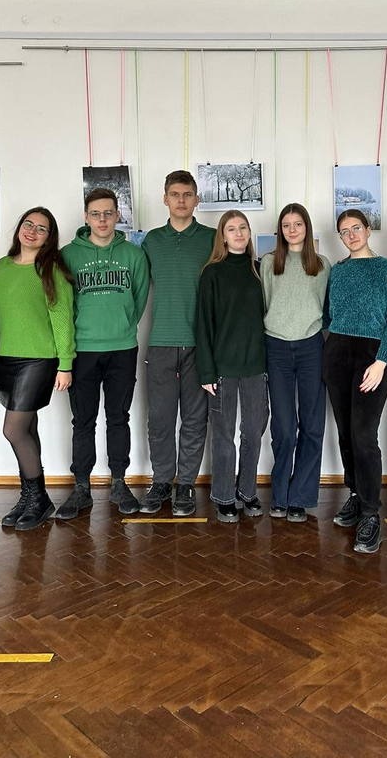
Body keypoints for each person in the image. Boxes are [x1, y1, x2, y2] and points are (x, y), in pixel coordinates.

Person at [55, 188, 150, 520]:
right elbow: (62, 305)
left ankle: (119, 483)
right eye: (95, 214)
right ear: (86, 217)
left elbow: (139, 300)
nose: (102, 219)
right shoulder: (68, 255)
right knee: (82, 420)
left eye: (109, 213)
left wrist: (121, 326)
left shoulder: (134, 255)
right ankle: (81, 487)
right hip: (82, 351)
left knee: (118, 418)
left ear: (118, 215)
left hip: (122, 348)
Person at [323, 209, 387, 554]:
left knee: (363, 435)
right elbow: (327, 315)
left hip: (372, 355)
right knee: (345, 432)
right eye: (344, 231)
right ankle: (355, 494)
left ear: (368, 230)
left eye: (356, 228)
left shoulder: (386, 269)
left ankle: (371, 513)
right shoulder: (337, 271)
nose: (351, 235)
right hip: (337, 352)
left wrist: (383, 361)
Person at [0, 207, 75, 530]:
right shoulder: (1, 267)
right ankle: (30, 498)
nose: (32, 231)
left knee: (12, 430)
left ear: (49, 237)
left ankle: (38, 497)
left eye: (42, 228)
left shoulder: (51, 269)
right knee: (27, 429)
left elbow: (62, 319)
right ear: (19, 228)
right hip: (4, 359)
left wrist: (65, 364)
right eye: (28, 224)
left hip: (39, 359)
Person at [140, 170, 215, 516]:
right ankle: (161, 481)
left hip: (200, 345)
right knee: (159, 419)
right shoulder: (152, 241)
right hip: (160, 342)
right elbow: (137, 289)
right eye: (175, 194)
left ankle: (185, 484)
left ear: (197, 199)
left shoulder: (213, 239)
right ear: (165, 198)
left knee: (195, 420)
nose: (181, 200)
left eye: (187, 194)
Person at [196, 210, 268, 522]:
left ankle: (247, 490)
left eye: (243, 228)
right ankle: (224, 494)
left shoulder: (260, 270)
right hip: (222, 368)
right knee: (223, 435)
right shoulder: (212, 273)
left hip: (256, 366)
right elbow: (203, 324)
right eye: (231, 229)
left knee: (253, 432)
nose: (238, 233)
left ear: (249, 233)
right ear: (222, 237)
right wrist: (206, 371)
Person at [261, 204, 330, 523]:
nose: (292, 230)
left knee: (312, 425)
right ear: (280, 230)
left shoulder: (322, 265)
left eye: (298, 224)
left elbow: (327, 308)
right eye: (286, 225)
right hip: (275, 346)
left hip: (311, 346)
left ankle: (300, 497)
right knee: (284, 427)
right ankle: (280, 495)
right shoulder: (268, 263)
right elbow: (263, 303)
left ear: (307, 227)